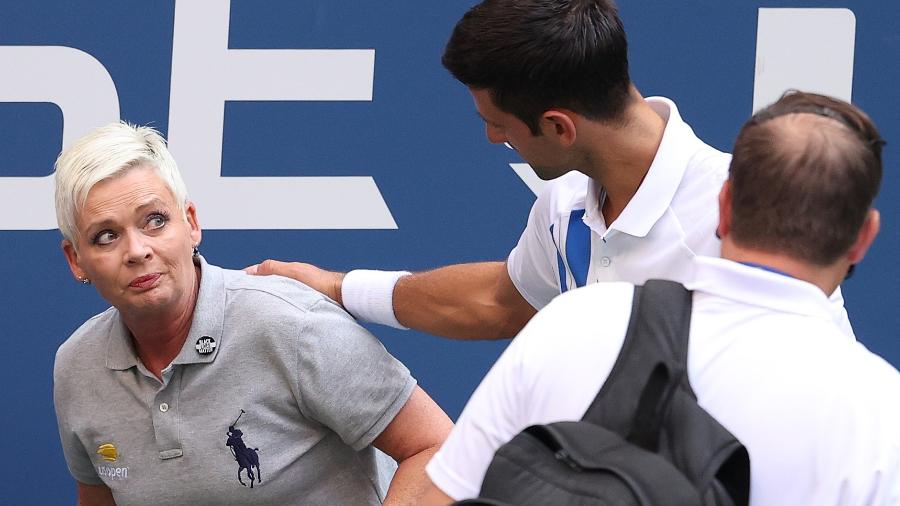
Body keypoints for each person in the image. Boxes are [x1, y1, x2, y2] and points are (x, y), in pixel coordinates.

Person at [246, 0, 854, 340]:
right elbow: (503, 300)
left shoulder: (747, 224)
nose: (491, 138)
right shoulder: (565, 204)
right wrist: (337, 287)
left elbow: (819, 408)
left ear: (560, 126)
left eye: (501, 125)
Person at [421, 92, 900, 505]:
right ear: (863, 238)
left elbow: (444, 495)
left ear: (725, 204)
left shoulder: (573, 322)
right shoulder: (882, 415)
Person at [52, 122, 452, 505]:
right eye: (107, 235)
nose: (137, 250)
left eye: (155, 221)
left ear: (191, 224)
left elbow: (437, 448)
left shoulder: (294, 326)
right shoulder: (77, 366)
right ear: (76, 261)